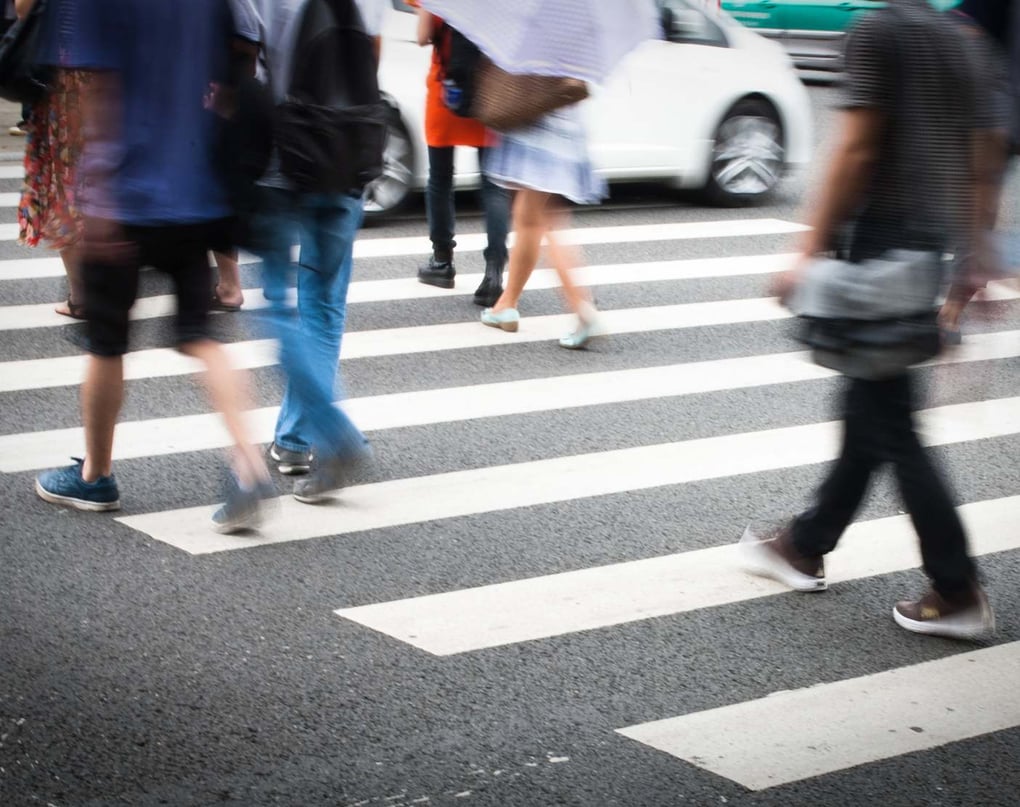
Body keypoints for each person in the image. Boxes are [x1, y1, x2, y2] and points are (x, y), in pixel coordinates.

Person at [737, 0, 995, 639]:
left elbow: (855, 145)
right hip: (927, 250)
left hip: (877, 250)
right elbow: (983, 157)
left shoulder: (878, 31)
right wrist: (973, 253)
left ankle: (956, 586)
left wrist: (804, 247)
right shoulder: (961, 39)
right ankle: (806, 542)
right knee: (871, 406)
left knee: (892, 425)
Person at [34, 0, 274, 534]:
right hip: (194, 190)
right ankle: (249, 464)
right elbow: (243, 54)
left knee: (106, 342)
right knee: (200, 336)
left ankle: (95, 476)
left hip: (124, 194)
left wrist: (97, 189)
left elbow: (96, 88)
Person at [251, 0, 373, 500]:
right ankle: (297, 438)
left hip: (281, 152)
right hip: (347, 148)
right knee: (323, 303)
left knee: (277, 306)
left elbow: (243, 58)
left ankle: (327, 429)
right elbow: (367, 59)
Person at [408, 1, 510, 307]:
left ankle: (442, 262)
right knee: (493, 187)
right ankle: (493, 274)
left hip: (447, 90)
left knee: (440, 179)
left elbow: (424, 36)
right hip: (491, 93)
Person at [479, 103, 606, 349]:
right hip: (565, 125)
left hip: (534, 123)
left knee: (537, 221)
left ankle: (583, 310)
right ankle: (506, 304)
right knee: (537, 216)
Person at [15, 0, 85, 317]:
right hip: (114, 81)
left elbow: (23, 9)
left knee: (65, 183)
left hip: (64, 80)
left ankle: (82, 294)